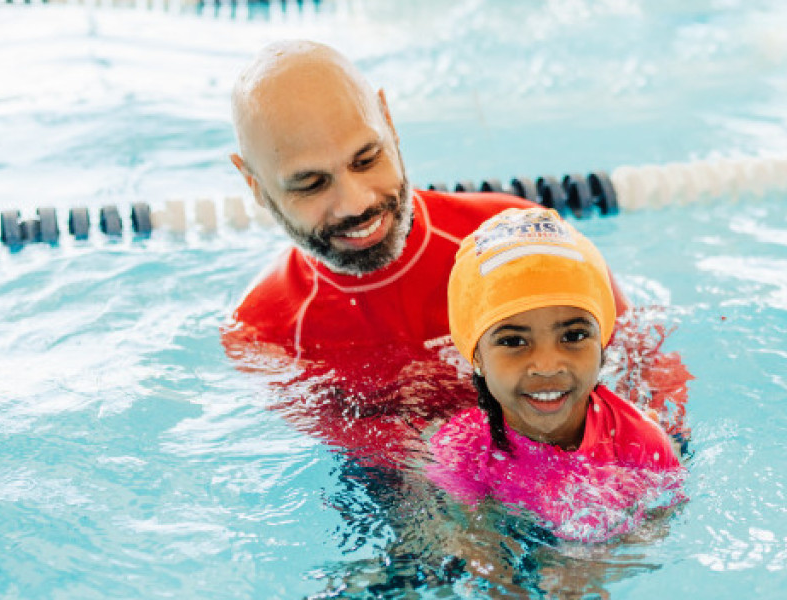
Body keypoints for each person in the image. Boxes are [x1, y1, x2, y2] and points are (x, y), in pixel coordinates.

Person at [223, 39, 689, 467]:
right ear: (254, 185)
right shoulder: (266, 334)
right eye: (310, 184)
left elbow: (644, 367)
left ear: (388, 120)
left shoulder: (521, 243)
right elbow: (395, 470)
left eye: (367, 159)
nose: (357, 202)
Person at [426, 208, 686, 543]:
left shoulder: (642, 446)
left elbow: (657, 536)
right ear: (476, 356)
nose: (547, 366)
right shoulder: (460, 449)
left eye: (574, 336)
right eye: (514, 341)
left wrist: (591, 567)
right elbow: (467, 541)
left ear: (603, 343)